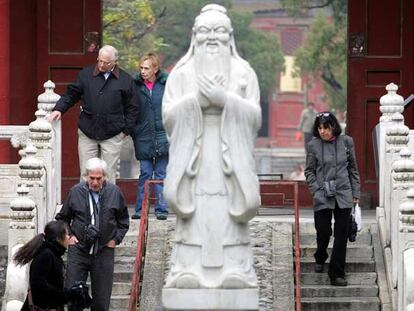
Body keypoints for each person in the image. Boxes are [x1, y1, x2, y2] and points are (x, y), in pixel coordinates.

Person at [162, 4, 260, 289]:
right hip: (194, 156)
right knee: (195, 213)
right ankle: (186, 269)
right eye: (205, 31)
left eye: (219, 31)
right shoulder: (181, 74)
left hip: (230, 157)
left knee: (229, 209)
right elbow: (168, 118)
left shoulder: (244, 72)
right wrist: (197, 103)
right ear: (195, 36)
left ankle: (237, 269)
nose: (212, 38)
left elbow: (254, 118)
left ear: (230, 36)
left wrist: (225, 100)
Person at [48, 45, 138, 183]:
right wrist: (58, 109)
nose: (102, 65)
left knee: (108, 175)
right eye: (100, 60)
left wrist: (125, 131)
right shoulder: (85, 74)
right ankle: (85, 204)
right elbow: (71, 94)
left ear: (115, 61)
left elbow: (132, 108)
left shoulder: (125, 80)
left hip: (113, 133)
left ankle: (108, 205)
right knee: (86, 173)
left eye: (106, 62)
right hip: (87, 131)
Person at [55, 157, 129, 310]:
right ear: (86, 176)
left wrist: (116, 239)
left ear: (105, 177)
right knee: (73, 296)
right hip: (79, 250)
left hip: (104, 251)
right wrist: (69, 236)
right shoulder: (75, 192)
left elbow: (123, 221)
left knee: (101, 301)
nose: (95, 182)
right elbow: (62, 219)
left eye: (99, 178)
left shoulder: (114, 192)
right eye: (92, 178)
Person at [304, 112, 360, 287]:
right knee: (324, 231)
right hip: (322, 195)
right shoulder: (313, 145)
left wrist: (355, 192)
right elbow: (309, 171)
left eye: (326, 128)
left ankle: (336, 273)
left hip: (344, 194)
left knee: (341, 234)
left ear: (333, 127)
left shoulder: (346, 142)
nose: (323, 131)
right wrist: (316, 190)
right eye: (319, 128)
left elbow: (353, 169)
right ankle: (320, 256)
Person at [14, 220, 88, 310]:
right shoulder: (46, 255)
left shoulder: (54, 254)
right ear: (58, 238)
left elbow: (54, 284)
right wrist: (66, 295)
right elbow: (38, 285)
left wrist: (71, 293)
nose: (69, 237)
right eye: (67, 234)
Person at [131, 53, 169, 220]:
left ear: (155, 69)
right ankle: (141, 209)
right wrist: (134, 129)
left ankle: (161, 209)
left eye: (147, 68)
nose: (143, 71)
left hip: (163, 135)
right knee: (145, 173)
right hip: (143, 136)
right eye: (141, 68)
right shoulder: (135, 85)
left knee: (161, 173)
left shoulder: (166, 85)